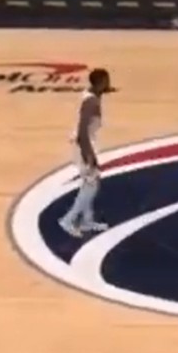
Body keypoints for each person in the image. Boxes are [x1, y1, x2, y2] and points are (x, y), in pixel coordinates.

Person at [59, 68, 113, 238]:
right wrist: (88, 155)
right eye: (106, 81)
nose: (108, 84)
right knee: (91, 184)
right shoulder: (90, 103)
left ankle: (86, 220)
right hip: (84, 144)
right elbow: (82, 131)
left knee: (90, 182)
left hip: (87, 142)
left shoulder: (92, 94)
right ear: (100, 83)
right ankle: (68, 219)